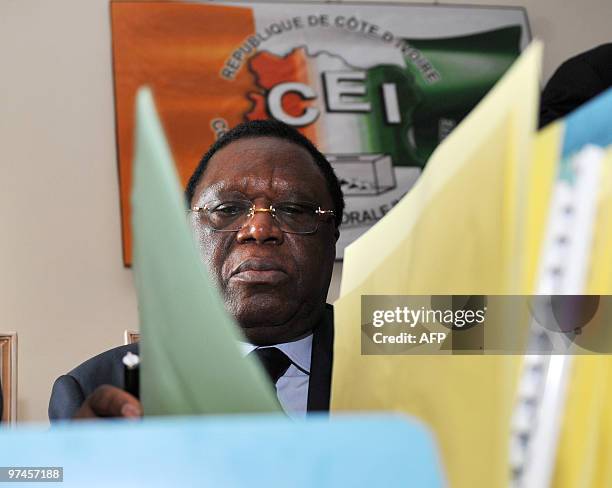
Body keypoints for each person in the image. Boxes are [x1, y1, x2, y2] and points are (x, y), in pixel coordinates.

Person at [48, 120, 344, 420]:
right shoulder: (98, 393)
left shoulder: (387, 369)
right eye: (227, 209)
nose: (259, 228)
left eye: (293, 210)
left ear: (333, 235)